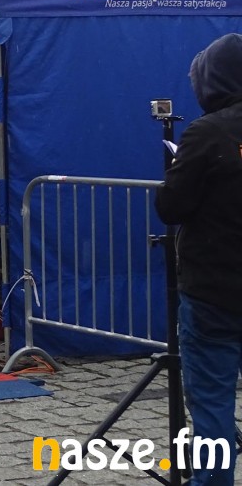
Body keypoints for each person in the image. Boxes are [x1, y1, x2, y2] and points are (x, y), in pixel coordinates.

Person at [155, 32, 242, 486]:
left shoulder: (206, 133)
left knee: (211, 405)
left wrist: (176, 172)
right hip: (218, 287)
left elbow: (172, 206)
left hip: (215, 291)